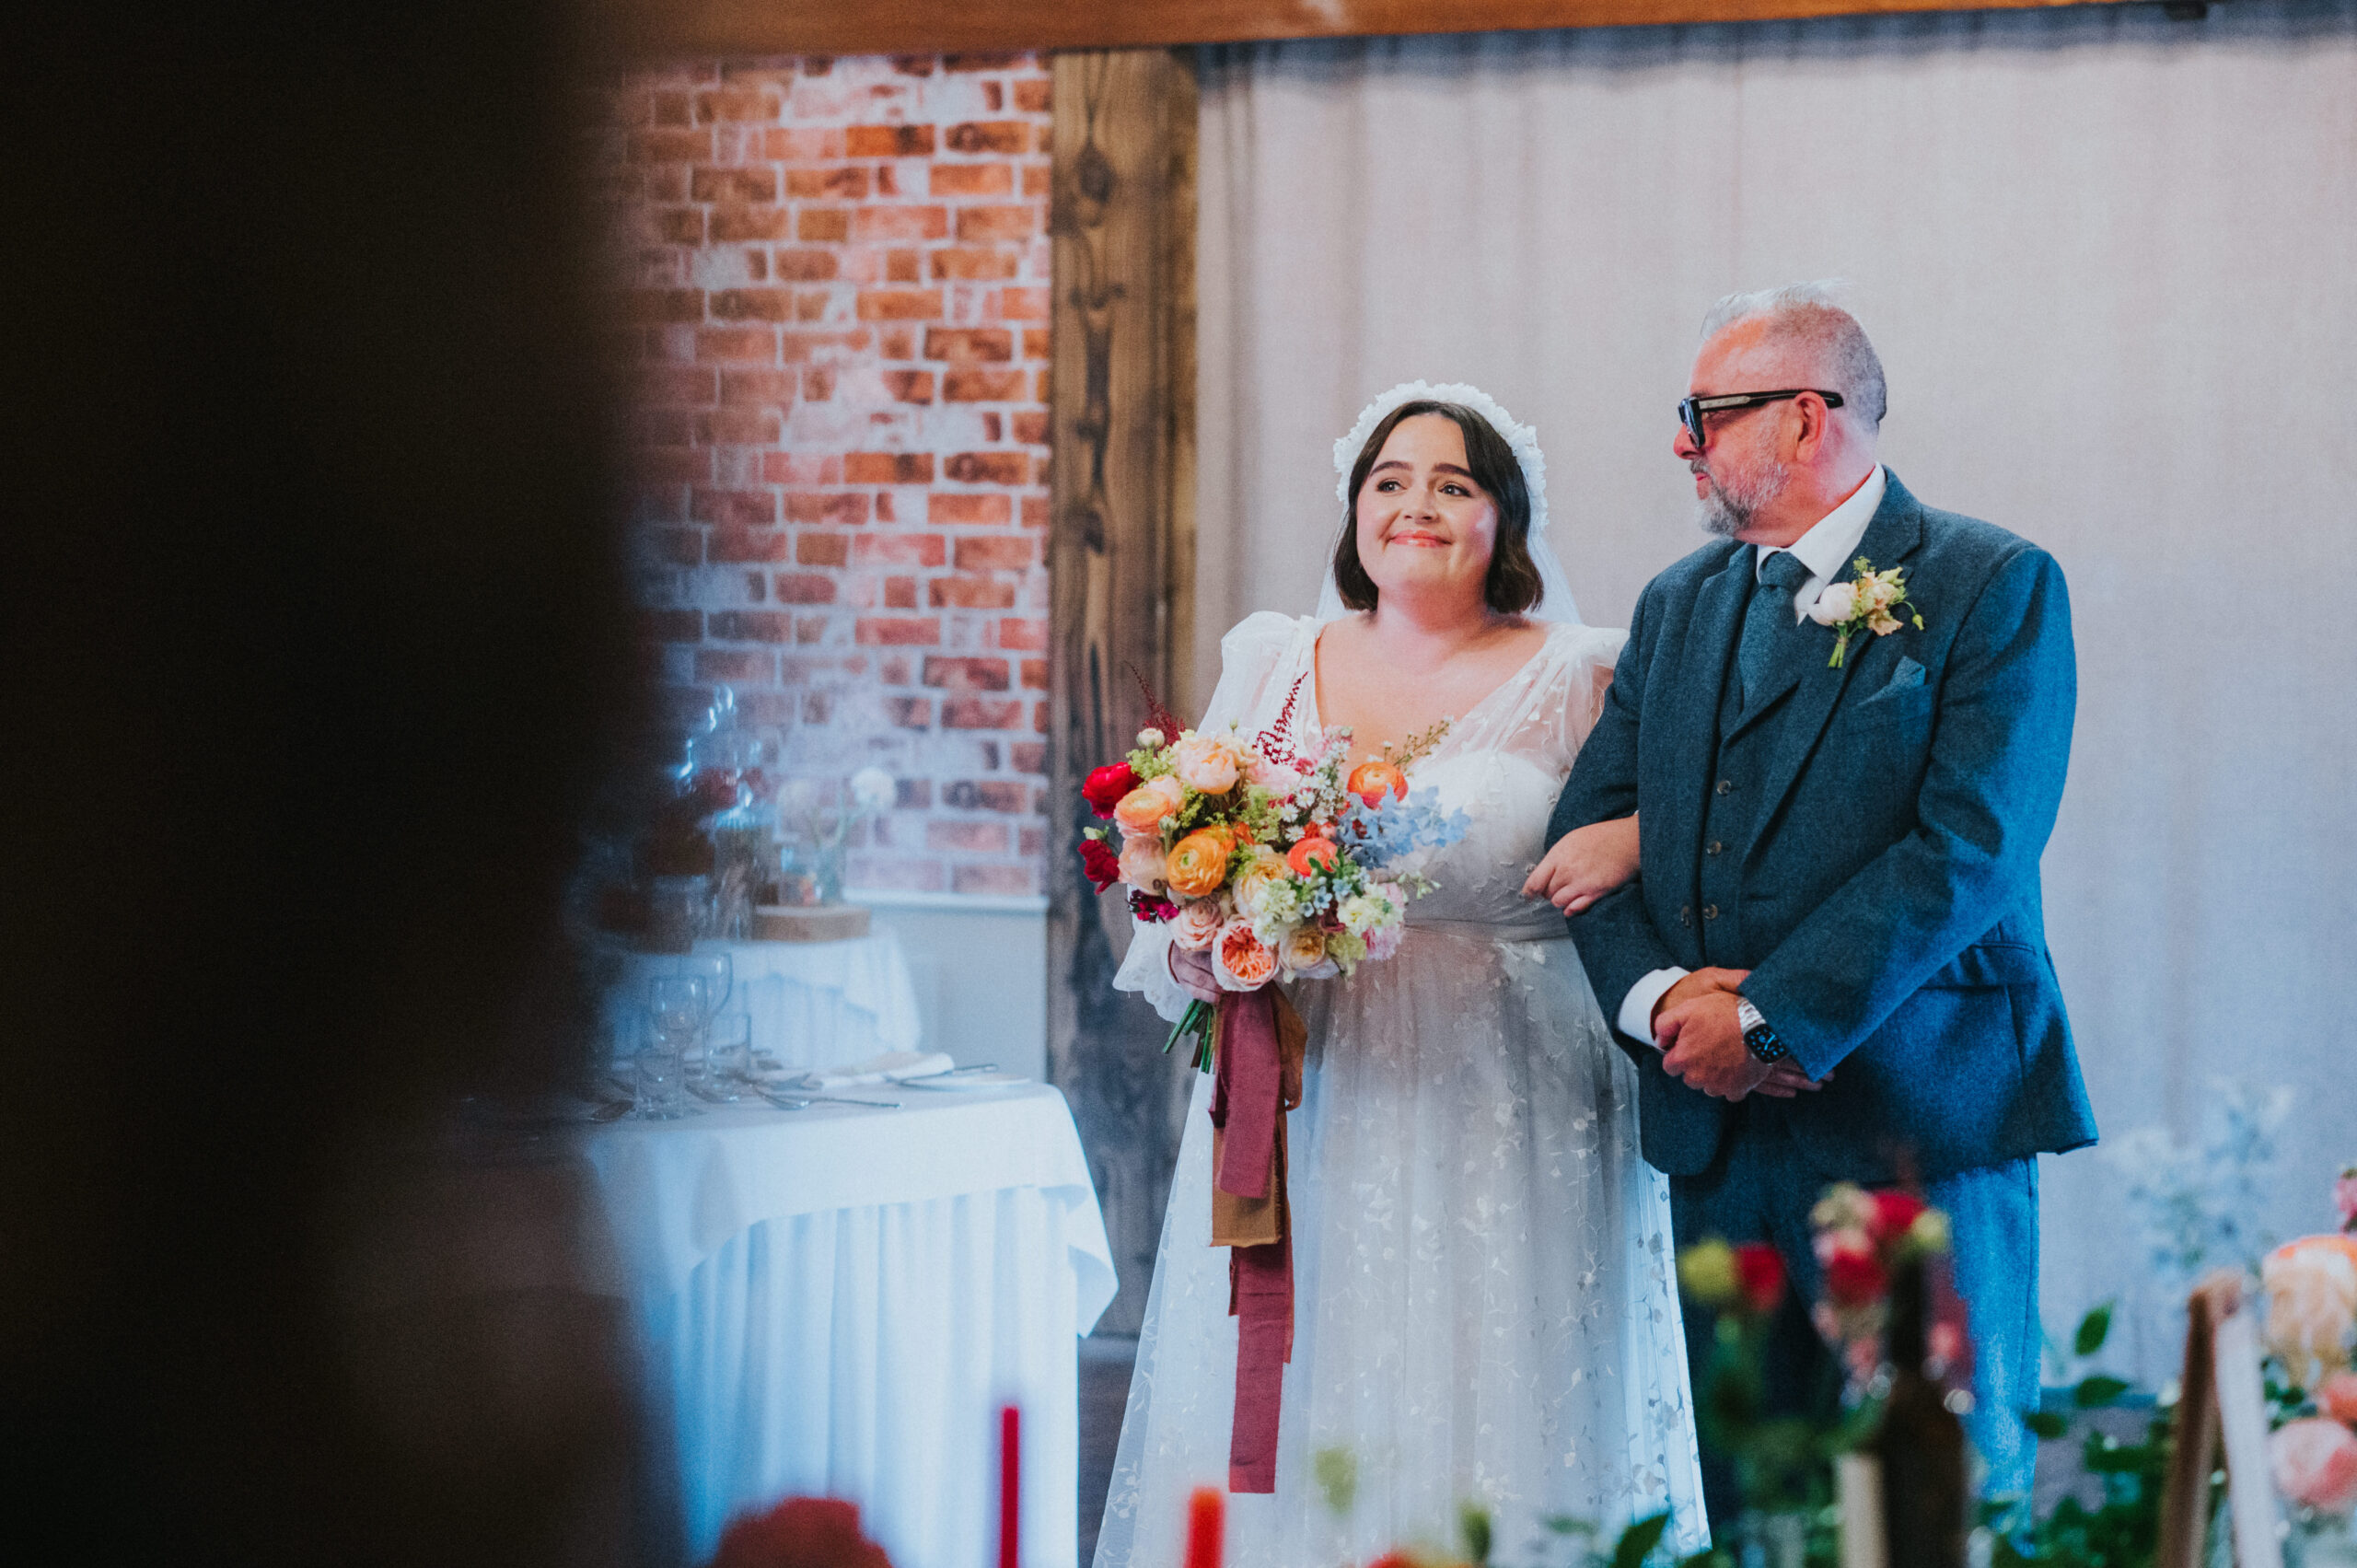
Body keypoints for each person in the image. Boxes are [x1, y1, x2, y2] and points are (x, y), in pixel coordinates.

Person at [1093, 385, 1710, 1566]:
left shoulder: (1583, 669)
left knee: (1495, 1371)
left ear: (1503, 518)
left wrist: (1630, 842)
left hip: (1512, 1090)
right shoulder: (1274, 658)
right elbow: (1168, 878)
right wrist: (1199, 939)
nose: (1414, 504)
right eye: (1388, 480)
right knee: (1322, 1360)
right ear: (1354, 511)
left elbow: (1681, 843)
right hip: (1315, 1086)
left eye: (1452, 483)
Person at [1535, 285, 2096, 1513]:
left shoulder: (1991, 582)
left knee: (1931, 1494)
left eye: (1704, 414)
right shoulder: (1680, 603)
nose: (1681, 442)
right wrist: (1665, 1004)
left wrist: (1769, 1017)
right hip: (1718, 1141)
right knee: (1750, 1502)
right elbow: (1584, 837)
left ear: (1803, 416)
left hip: (1916, 1122)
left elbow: (1971, 847)